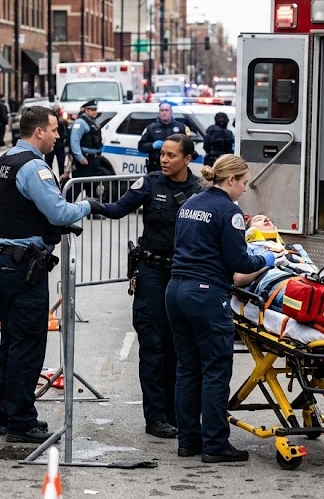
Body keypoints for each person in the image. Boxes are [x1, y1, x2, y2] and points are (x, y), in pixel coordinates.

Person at [0, 105, 97, 443]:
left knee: (12, 341)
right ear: (38, 132)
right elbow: (59, 211)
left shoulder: (4, 161)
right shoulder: (35, 167)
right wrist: (89, 205)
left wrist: (11, 235)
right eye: (54, 130)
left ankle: (10, 416)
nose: (58, 136)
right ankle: (21, 422)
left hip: (2, 259)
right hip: (23, 266)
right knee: (29, 343)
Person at [166, 154, 275, 463]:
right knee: (215, 370)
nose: (244, 189)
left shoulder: (190, 204)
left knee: (187, 368)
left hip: (175, 290)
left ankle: (188, 441)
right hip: (205, 295)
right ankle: (215, 444)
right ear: (231, 180)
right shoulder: (230, 211)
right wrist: (266, 258)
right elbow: (240, 262)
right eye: (243, 182)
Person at [99, 133, 200, 439]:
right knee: (153, 346)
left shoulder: (199, 191)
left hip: (183, 276)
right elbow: (117, 209)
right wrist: (87, 205)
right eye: (163, 154)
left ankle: (175, 413)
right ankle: (155, 417)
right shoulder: (149, 183)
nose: (164, 160)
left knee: (178, 349)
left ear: (188, 159)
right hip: (152, 274)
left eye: (171, 155)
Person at [68, 100, 103, 200]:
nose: (94, 112)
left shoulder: (94, 122)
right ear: (86, 110)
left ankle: (93, 213)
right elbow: (74, 142)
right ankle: (66, 210)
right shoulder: (80, 123)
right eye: (92, 109)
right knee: (77, 187)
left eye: (95, 109)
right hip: (84, 160)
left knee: (93, 188)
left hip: (93, 159)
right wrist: (80, 158)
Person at [138, 102, 186, 174]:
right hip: (156, 167)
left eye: (166, 110)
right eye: (162, 110)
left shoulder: (180, 127)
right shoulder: (151, 128)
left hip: (174, 167)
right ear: (159, 112)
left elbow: (186, 145)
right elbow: (141, 147)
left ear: (171, 112)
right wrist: (152, 145)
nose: (164, 112)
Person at [44, 104, 69, 179]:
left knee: (61, 164)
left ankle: (61, 181)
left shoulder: (62, 120)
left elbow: (66, 131)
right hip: (51, 144)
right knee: (48, 164)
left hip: (60, 145)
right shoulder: (49, 120)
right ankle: (49, 180)